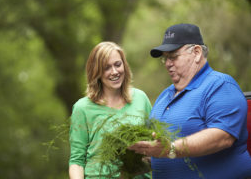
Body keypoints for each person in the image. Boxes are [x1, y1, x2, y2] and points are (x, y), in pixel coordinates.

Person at [128, 23, 251, 179]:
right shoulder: (164, 96)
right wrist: (132, 163)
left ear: (197, 53)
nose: (167, 63)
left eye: (173, 56)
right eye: (165, 59)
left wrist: (170, 149)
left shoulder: (220, 85)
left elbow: (222, 137)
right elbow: (159, 154)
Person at [69, 42, 152, 178]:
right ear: (96, 72)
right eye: (106, 68)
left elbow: (154, 145)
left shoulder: (140, 99)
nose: (114, 71)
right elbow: (77, 162)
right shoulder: (82, 108)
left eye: (117, 65)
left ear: (124, 65)